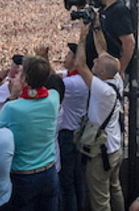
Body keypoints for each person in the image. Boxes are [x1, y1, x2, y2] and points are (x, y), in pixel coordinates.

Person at [0, 55, 60, 210]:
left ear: (24, 80)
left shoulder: (12, 108)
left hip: (23, 176)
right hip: (49, 172)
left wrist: (12, 96)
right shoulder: (54, 97)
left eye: (20, 73)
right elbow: (53, 80)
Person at [75, 17, 125, 211]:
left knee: (100, 199)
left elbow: (80, 65)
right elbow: (102, 50)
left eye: (96, 63)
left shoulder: (102, 90)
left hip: (101, 153)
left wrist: (82, 37)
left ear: (102, 71)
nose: (93, 60)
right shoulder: (117, 79)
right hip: (115, 146)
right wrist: (96, 26)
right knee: (115, 189)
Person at [58, 43, 89, 211]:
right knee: (77, 180)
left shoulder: (73, 83)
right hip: (78, 133)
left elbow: (50, 83)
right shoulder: (79, 79)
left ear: (77, 60)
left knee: (66, 184)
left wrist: (43, 60)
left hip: (68, 136)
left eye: (69, 54)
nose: (65, 57)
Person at [84, 0, 135, 74]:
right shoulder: (104, 10)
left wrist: (120, 71)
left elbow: (129, 43)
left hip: (108, 72)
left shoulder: (119, 11)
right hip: (100, 69)